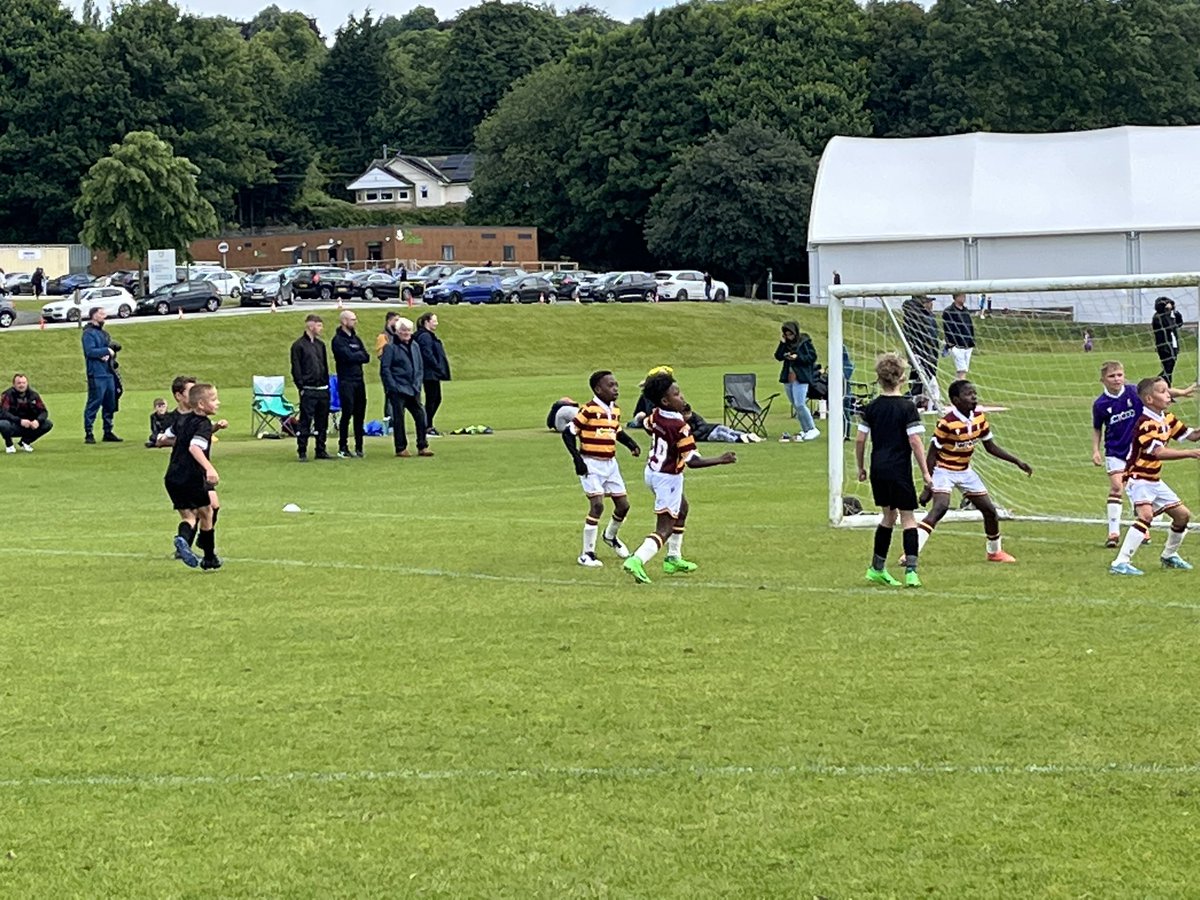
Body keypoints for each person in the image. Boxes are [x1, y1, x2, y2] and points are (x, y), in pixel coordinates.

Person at [622, 370, 737, 584]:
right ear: (665, 400)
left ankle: (673, 558)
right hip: (667, 477)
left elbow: (648, 426)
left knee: (682, 509)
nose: (681, 397)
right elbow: (692, 461)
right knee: (664, 528)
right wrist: (721, 459)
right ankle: (637, 560)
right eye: (676, 394)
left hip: (652, 472)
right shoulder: (680, 427)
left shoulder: (656, 414)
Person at [909, 379, 1033, 563]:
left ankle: (994, 552)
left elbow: (990, 447)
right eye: (968, 394)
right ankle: (910, 553)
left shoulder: (979, 418)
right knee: (940, 508)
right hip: (944, 470)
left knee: (990, 511)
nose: (973, 397)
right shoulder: (946, 423)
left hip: (965, 471)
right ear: (955, 400)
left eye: (974, 393)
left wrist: (1016, 461)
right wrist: (928, 486)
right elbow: (932, 454)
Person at [1091, 361, 1195, 547]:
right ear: (1102, 380)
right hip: (1115, 450)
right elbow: (1097, 428)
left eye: (1119, 375)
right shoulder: (1100, 404)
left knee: (1138, 490)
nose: (1117, 379)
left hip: (1137, 451)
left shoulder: (1133, 392)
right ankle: (1113, 534)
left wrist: (1183, 393)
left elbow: (1159, 392)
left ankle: (1143, 526)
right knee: (1117, 486)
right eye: (1112, 376)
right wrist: (1095, 451)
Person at [854, 354, 932, 588]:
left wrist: (861, 467)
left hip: (878, 468)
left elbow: (860, 439)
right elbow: (915, 442)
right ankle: (911, 571)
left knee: (888, 516)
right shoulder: (907, 407)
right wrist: (926, 473)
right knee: (908, 518)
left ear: (878, 379)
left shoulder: (872, 407)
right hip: (899, 469)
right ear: (903, 377)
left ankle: (877, 568)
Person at [1110, 376, 1200, 575]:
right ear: (1149, 399)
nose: (1168, 395)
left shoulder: (1167, 418)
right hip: (1137, 477)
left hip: (1153, 479)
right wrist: (1190, 453)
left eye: (1168, 391)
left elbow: (1192, 435)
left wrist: (1194, 441)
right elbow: (1157, 452)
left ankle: (1169, 556)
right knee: (1146, 516)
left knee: (1182, 516)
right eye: (1163, 391)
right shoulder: (1145, 423)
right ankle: (1120, 563)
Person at [562, 370, 642, 567]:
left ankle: (610, 536)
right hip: (590, 463)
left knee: (623, 505)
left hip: (610, 464)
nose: (615, 389)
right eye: (611, 385)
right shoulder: (588, 410)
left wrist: (631, 444)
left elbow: (617, 431)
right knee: (597, 505)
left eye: (616, 385)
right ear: (598, 389)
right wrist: (577, 459)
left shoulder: (615, 410)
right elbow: (568, 433)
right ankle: (587, 553)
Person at [163, 383, 223, 570]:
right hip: (192, 475)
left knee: (189, 517)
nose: (218, 403)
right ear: (201, 405)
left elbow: (164, 437)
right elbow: (194, 447)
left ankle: (182, 539)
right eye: (213, 400)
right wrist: (209, 468)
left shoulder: (184, 420)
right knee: (206, 513)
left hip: (172, 475)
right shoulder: (203, 424)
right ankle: (209, 558)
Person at [380, 316, 432, 458]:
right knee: (399, 419)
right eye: (403, 330)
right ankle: (401, 448)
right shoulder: (390, 347)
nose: (406, 333)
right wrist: (392, 387)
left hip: (413, 388)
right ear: (397, 331)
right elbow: (385, 369)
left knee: (421, 416)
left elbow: (419, 367)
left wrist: (417, 384)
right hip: (398, 389)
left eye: (409, 330)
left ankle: (423, 445)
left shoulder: (415, 346)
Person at [290, 314, 331, 462]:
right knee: (306, 421)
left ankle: (321, 449)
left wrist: (326, 383)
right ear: (310, 325)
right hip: (308, 388)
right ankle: (302, 450)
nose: (321, 329)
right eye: (318, 325)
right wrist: (301, 385)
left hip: (322, 388)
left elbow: (325, 366)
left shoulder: (320, 345)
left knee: (322, 421)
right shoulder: (298, 346)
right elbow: (296, 368)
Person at [331, 309, 370, 458]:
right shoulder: (338, 340)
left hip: (359, 380)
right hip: (346, 380)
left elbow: (366, 356)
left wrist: (356, 356)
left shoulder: (356, 339)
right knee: (347, 413)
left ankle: (359, 446)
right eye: (352, 319)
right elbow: (345, 357)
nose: (355, 322)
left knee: (360, 414)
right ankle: (343, 446)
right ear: (344, 321)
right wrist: (356, 356)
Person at [81, 306, 122, 443]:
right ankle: (89, 432)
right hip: (96, 374)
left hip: (108, 372)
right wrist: (106, 351)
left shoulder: (104, 334)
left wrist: (110, 354)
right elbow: (90, 351)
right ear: (93, 316)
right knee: (94, 402)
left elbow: (109, 351)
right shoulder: (88, 333)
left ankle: (108, 431)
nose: (104, 315)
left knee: (110, 402)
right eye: (101, 313)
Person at [775, 321, 820, 441]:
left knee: (800, 403)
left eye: (791, 334)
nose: (789, 337)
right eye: (786, 334)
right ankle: (805, 429)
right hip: (788, 377)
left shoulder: (804, 342)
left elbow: (812, 357)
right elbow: (778, 356)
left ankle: (812, 428)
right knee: (796, 405)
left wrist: (797, 357)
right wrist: (782, 343)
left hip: (801, 377)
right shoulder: (786, 344)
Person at [901, 295, 940, 410]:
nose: (931, 304)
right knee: (927, 379)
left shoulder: (928, 317)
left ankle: (921, 400)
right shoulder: (915, 318)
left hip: (930, 353)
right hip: (920, 354)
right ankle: (931, 402)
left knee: (921, 379)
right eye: (928, 302)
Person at [415, 312, 451, 436]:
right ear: (427, 322)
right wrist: (437, 366)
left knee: (435, 398)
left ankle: (427, 424)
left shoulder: (428, 336)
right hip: (429, 373)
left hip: (432, 372)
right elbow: (427, 354)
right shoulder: (425, 336)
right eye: (434, 321)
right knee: (432, 398)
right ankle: (426, 426)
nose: (436, 323)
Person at [0, 374, 54, 452]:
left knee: (47, 424)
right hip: (13, 425)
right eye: (19, 383)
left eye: (23, 383)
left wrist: (37, 421)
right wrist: (20, 421)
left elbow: (44, 412)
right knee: (2, 424)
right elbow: (3, 413)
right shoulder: (7, 395)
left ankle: (25, 442)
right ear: (14, 384)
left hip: (30, 425)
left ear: (27, 383)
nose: (21, 385)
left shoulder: (34, 395)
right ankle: (9, 445)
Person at [684, 404, 762, 443]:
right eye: (685, 414)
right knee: (722, 435)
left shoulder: (695, 417)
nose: (687, 416)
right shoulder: (681, 422)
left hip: (712, 428)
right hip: (707, 436)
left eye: (688, 413)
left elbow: (703, 426)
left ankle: (745, 435)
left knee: (726, 430)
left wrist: (693, 435)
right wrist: (692, 436)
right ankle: (738, 439)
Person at [942, 293, 975, 380]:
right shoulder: (949, 311)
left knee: (963, 371)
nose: (964, 298)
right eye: (961, 296)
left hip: (968, 344)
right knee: (962, 370)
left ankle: (955, 390)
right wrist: (951, 344)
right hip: (956, 345)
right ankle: (962, 391)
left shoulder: (965, 310)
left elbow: (970, 326)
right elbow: (947, 329)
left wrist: (971, 340)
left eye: (964, 296)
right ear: (955, 297)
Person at [1152, 296, 1183, 385]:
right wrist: (1167, 309)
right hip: (1164, 347)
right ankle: (1156, 384)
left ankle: (1162, 386)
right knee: (1168, 369)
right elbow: (1168, 326)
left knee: (1169, 370)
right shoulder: (1158, 317)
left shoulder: (1169, 316)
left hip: (1173, 346)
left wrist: (1176, 313)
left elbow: (1179, 324)